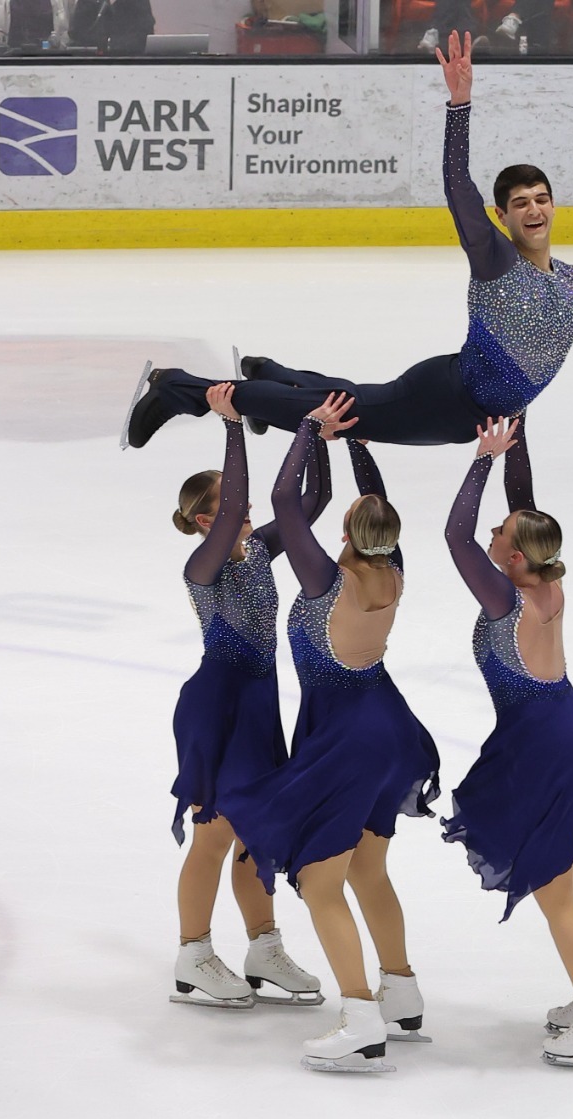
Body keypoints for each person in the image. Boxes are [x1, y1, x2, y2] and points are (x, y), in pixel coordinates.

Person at [123, 32, 573, 451]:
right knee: (339, 416)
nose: (534, 209)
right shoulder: (494, 258)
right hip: (448, 397)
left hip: (469, 411)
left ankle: (266, 371)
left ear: (553, 205)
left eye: (541, 198)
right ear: (503, 216)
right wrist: (459, 104)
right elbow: (457, 185)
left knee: (354, 399)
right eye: (520, 203)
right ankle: (182, 390)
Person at [217, 395, 443, 1072]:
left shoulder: (329, 577)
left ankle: (361, 1020)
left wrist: (313, 430)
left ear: (346, 529)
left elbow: (287, 499)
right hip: (387, 722)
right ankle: (399, 990)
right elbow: (374, 503)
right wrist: (357, 444)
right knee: (368, 868)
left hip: (347, 734)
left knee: (320, 883)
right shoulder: (392, 567)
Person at [440, 417, 573, 1070]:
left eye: (503, 533)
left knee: (554, 890)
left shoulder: (504, 599)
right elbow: (522, 511)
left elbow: (454, 536)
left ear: (515, 557)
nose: (494, 531)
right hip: (572, 728)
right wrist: (516, 435)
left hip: (545, 745)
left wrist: (482, 458)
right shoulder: (545, 582)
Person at [165, 383, 327, 1012]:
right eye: (228, 508)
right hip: (217, 704)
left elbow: (314, 499)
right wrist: (232, 425)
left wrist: (314, 434)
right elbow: (235, 508)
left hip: (260, 699)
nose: (245, 512)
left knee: (256, 830)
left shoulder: (258, 550)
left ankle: (263, 945)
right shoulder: (203, 564)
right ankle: (193, 953)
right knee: (214, 831)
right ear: (206, 520)